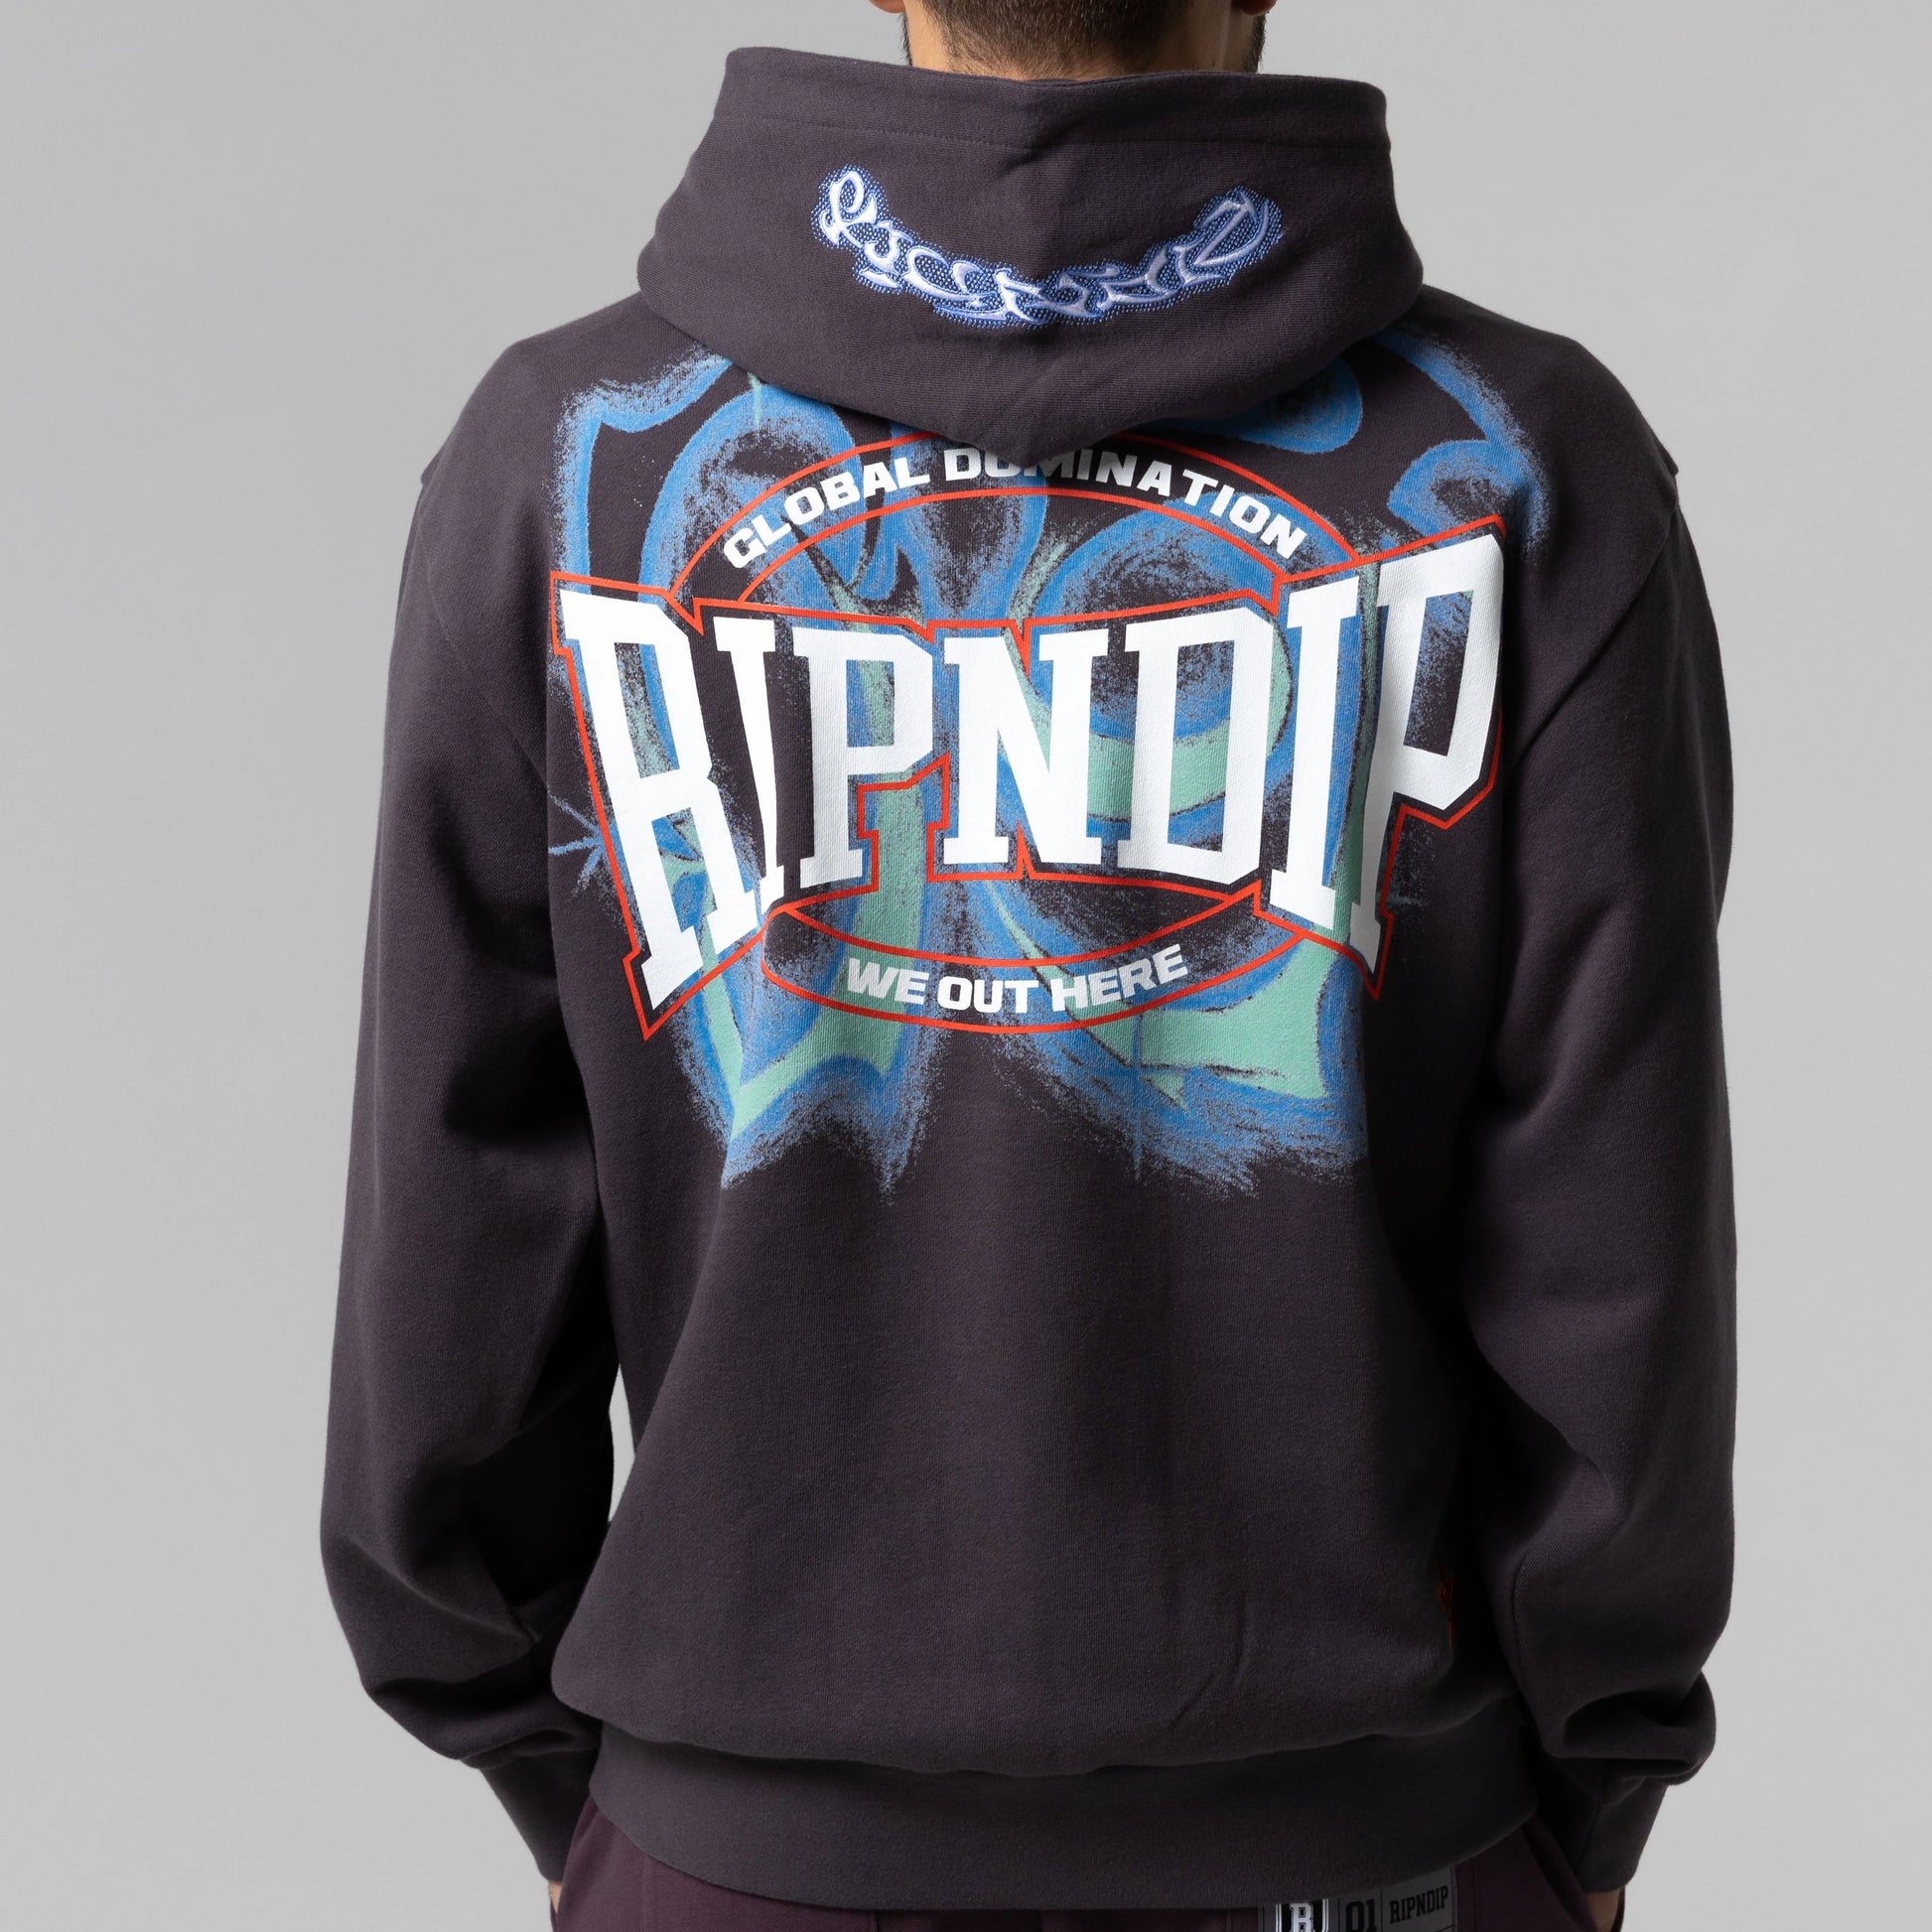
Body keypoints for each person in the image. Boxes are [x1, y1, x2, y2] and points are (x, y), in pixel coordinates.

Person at [321, 1, 1733, 1927]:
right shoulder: (1515, 467)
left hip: (736, 1864)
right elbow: (1610, 1241)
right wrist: (1588, 1778)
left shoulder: (569, 466)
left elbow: (456, 1226)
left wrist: (596, 1785)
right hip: (1374, 1850)